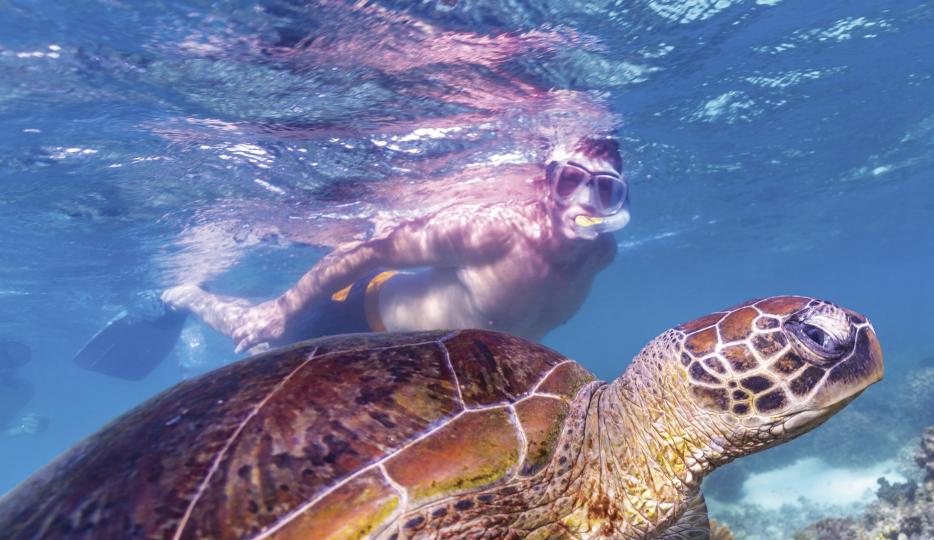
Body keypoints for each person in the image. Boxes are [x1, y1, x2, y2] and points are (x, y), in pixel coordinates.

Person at [75, 139, 629, 378]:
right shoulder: (493, 233)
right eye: (570, 181)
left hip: (434, 367)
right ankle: (185, 295)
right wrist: (284, 307)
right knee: (259, 333)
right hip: (358, 321)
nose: (582, 202)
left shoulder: (601, 253)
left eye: (603, 190)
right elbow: (366, 249)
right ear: (544, 182)